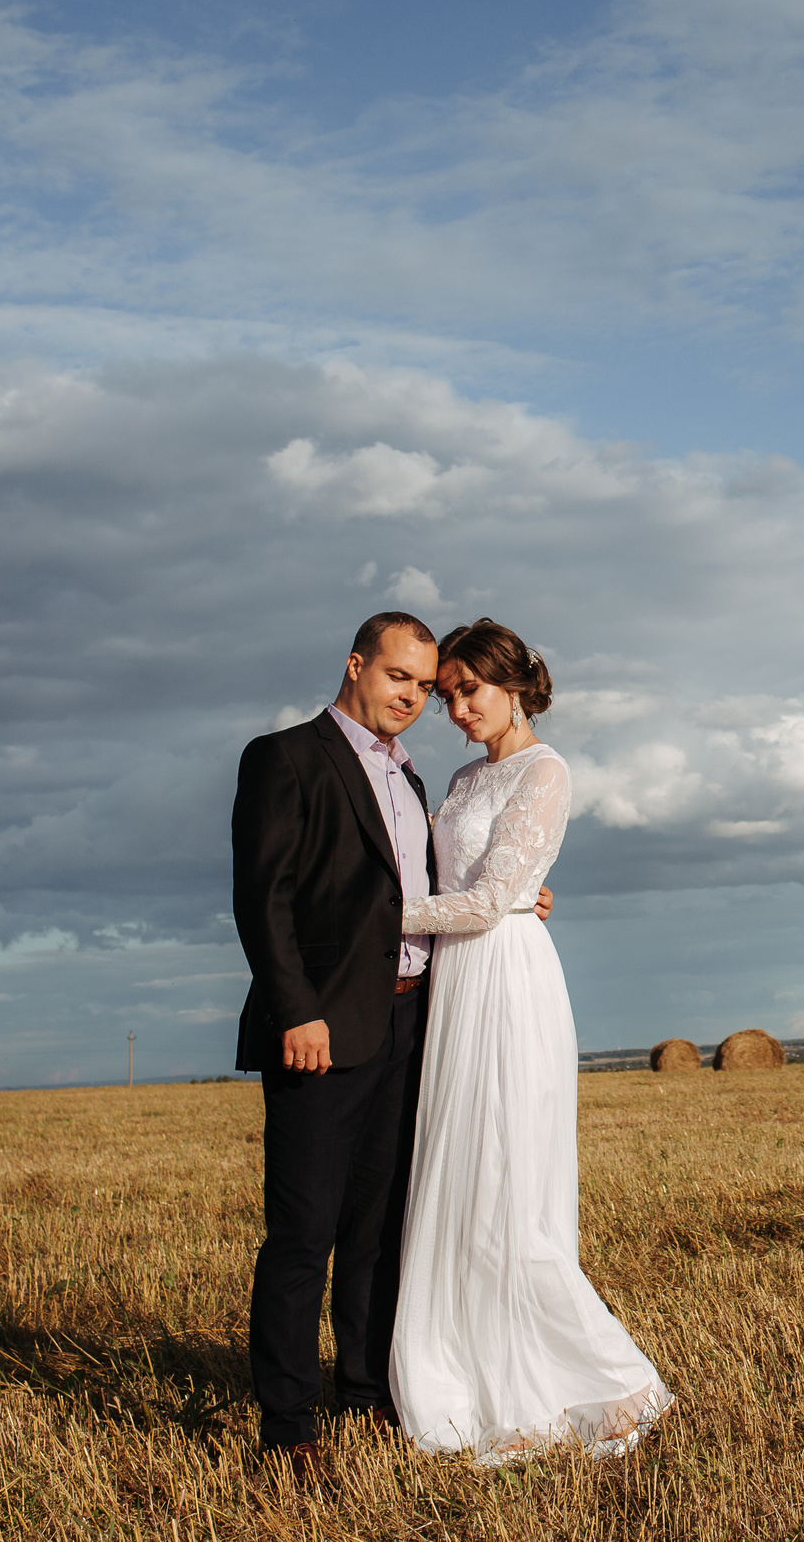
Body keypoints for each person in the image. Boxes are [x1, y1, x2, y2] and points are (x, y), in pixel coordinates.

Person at [230, 612, 551, 1473]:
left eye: (430, 686)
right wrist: (296, 1010)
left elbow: (448, 882)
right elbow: (265, 900)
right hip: (323, 1030)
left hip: (415, 1022)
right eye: (402, 678)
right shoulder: (286, 757)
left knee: (378, 1228)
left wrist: (520, 897)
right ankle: (289, 1424)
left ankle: (366, 1395)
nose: (416, 697)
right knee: (303, 1229)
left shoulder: (414, 781)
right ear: (356, 665)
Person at [386, 618, 674, 1462]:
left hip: (506, 979)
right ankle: (469, 1374)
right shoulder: (467, 774)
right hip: (458, 983)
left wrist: (370, 919)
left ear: (516, 683)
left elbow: (487, 902)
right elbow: (466, 882)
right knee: (463, 1184)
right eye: (446, 696)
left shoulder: (546, 771)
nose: (458, 708)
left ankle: (612, 1380)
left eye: (470, 689)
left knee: (508, 1189)